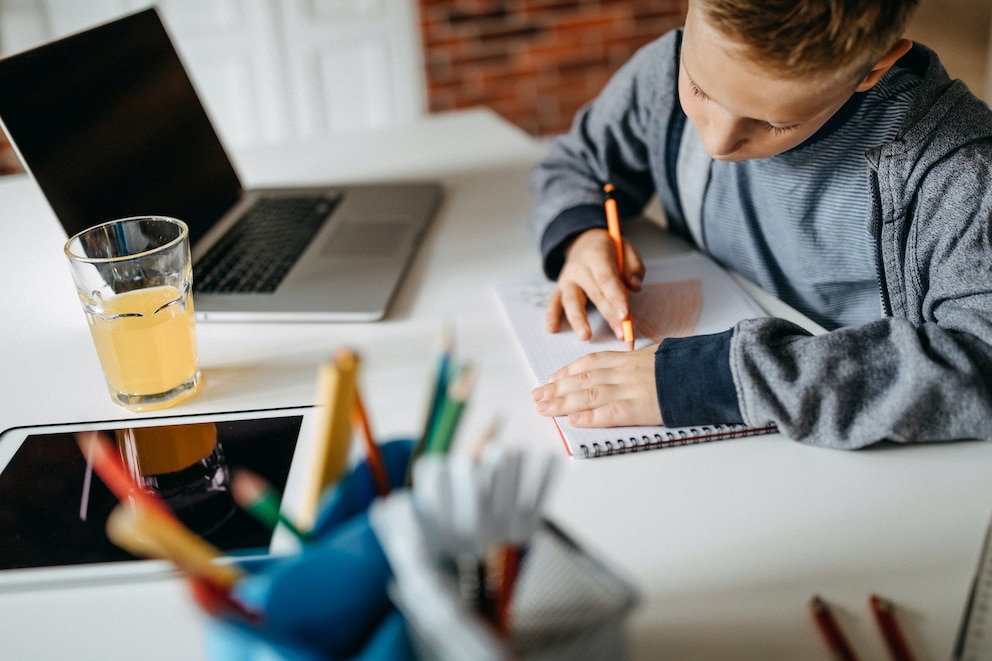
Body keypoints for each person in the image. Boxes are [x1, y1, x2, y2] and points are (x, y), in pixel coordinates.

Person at [528, 0, 992, 449]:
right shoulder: (662, 70)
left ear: (871, 68)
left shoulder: (960, 172)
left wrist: (722, 377)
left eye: (773, 122)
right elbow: (576, 164)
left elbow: (979, 358)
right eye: (701, 90)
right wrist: (583, 237)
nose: (716, 143)